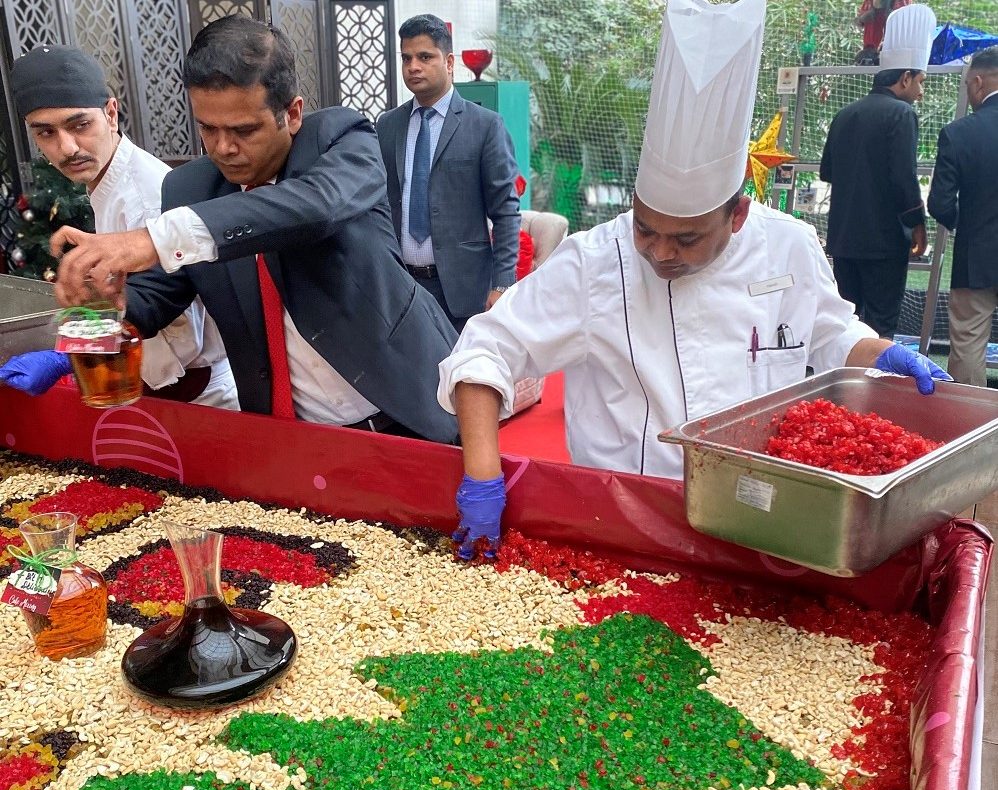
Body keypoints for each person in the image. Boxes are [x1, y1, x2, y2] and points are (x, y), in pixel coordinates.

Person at [438, 0, 950, 561]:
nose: (660, 252)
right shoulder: (594, 261)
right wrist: (483, 480)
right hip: (624, 523)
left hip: (763, 520)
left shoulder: (789, 245)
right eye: (646, 228)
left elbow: (830, 335)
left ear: (737, 216)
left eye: (685, 239)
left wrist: (879, 354)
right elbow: (485, 351)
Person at [46, 16, 458, 443]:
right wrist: (106, 304)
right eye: (208, 128)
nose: (224, 147)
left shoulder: (341, 140)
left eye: (244, 130)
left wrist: (155, 238)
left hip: (408, 410)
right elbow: (162, 293)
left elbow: (317, 207)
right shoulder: (189, 188)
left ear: (292, 113)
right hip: (292, 434)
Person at [0, 45, 238, 408]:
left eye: (80, 125)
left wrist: (71, 353)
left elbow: (176, 316)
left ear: (111, 114)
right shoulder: (107, 180)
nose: (67, 148)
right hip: (156, 386)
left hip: (200, 394)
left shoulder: (147, 193)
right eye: (46, 133)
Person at [375, 14, 520, 335]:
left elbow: (506, 212)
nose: (414, 66)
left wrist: (503, 284)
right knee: (410, 382)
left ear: (449, 61)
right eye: (407, 58)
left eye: (425, 57)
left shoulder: (484, 125)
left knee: (460, 381)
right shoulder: (388, 125)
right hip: (402, 289)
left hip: (465, 292)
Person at [820, 3, 936, 340]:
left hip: (843, 241)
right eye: (921, 81)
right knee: (882, 326)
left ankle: (839, 389)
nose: (921, 90)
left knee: (846, 324)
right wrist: (917, 223)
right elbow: (903, 179)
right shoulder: (901, 115)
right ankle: (875, 390)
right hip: (884, 244)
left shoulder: (844, 115)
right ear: (905, 78)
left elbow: (828, 171)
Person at [926, 47, 998, 387]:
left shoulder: (959, 133)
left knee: (968, 345)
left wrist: (967, 226)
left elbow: (939, 204)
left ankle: (974, 430)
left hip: (976, 258)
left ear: (979, 82)